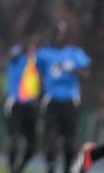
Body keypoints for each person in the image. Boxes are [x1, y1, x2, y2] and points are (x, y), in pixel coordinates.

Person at [38, 24, 92, 173]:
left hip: (69, 100)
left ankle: (68, 168)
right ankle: (51, 167)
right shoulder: (44, 54)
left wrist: (74, 69)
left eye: (61, 33)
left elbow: (87, 73)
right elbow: (38, 72)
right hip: (51, 100)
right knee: (51, 138)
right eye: (55, 33)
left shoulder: (75, 53)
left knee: (70, 140)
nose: (58, 37)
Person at [4, 35, 42, 173]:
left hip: (31, 105)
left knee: (32, 145)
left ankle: (18, 169)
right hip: (15, 102)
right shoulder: (17, 56)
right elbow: (13, 54)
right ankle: (12, 168)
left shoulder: (37, 61)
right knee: (14, 138)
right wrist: (26, 48)